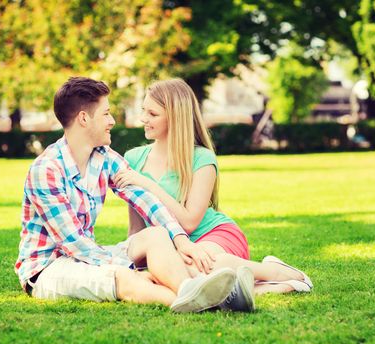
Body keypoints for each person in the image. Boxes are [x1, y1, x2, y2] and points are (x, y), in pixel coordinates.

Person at [14, 77, 239, 313]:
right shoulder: (46, 171)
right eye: (106, 114)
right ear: (83, 118)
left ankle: (190, 288)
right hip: (49, 268)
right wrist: (129, 267)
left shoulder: (103, 157)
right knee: (123, 277)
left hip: (86, 255)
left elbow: (144, 199)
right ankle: (204, 302)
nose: (112, 121)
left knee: (156, 234)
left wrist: (182, 241)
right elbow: (75, 245)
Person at [114, 78, 313, 311]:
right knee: (179, 278)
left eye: (152, 114)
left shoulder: (202, 159)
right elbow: (137, 229)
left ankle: (277, 272)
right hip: (175, 248)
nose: (143, 119)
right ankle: (269, 287)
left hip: (213, 235)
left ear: (175, 117)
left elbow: (188, 222)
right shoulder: (133, 159)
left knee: (203, 271)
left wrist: (147, 184)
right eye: (143, 111)